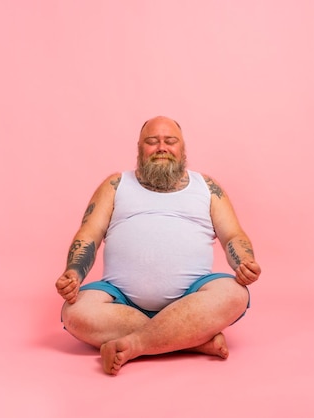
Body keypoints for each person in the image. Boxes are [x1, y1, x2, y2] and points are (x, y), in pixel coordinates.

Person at [55, 116, 261, 375]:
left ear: (182, 149)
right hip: (120, 301)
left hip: (192, 298)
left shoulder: (207, 187)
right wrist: (74, 273)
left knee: (235, 294)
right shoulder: (115, 185)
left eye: (170, 141)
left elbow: (232, 235)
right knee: (75, 312)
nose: (161, 147)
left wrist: (244, 262)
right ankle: (191, 340)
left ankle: (134, 344)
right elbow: (89, 234)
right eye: (152, 141)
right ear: (140, 148)